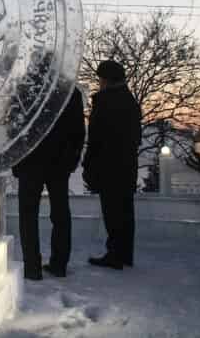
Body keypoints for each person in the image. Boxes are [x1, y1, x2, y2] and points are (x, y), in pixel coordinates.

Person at [12, 86, 85, 280]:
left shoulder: (26, 89)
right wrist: (71, 160)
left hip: (30, 161)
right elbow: (78, 131)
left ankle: (32, 267)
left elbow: (14, 126)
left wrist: (16, 160)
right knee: (60, 213)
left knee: (28, 216)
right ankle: (59, 264)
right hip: (59, 163)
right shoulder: (70, 91)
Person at [82, 60, 142, 270]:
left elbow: (96, 138)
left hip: (108, 166)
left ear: (106, 79)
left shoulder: (105, 101)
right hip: (127, 165)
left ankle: (115, 254)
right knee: (125, 210)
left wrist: (89, 164)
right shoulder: (130, 101)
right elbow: (135, 137)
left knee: (112, 211)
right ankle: (124, 254)